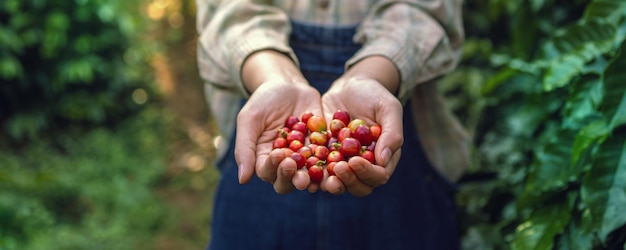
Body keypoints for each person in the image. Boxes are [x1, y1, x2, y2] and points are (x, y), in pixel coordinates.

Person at [195, 0, 470, 249]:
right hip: (262, 150)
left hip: (407, 183)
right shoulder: (309, 138)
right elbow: (227, 11)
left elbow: (425, 10)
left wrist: (374, 74)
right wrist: (270, 75)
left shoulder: (316, 138)